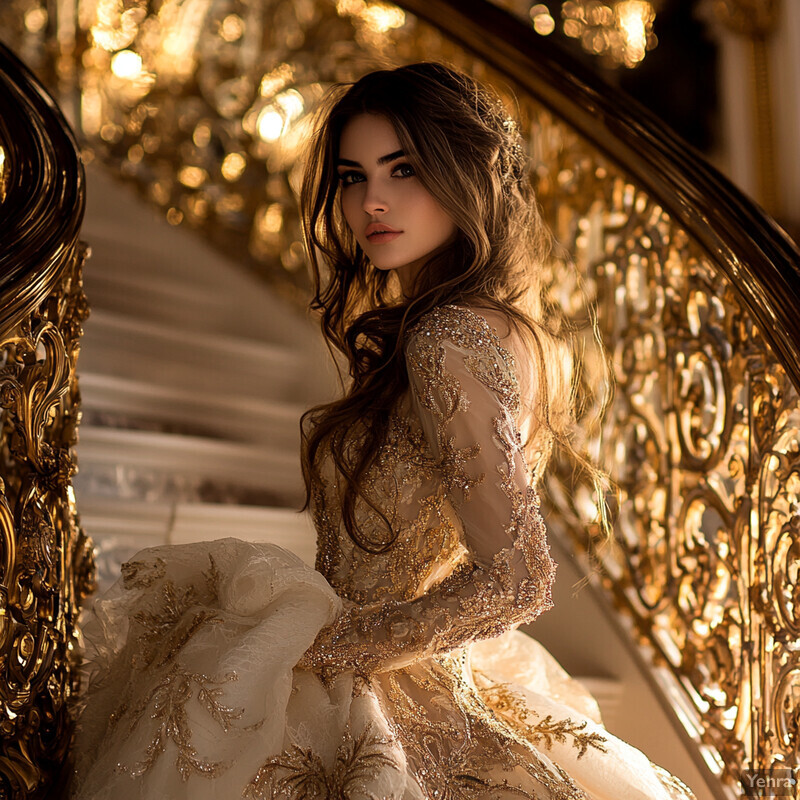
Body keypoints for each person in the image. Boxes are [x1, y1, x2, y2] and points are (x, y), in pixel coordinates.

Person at [67, 63, 697, 799]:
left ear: (465, 174)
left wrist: (324, 649)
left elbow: (518, 579)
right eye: (352, 175)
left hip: (374, 678)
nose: (373, 201)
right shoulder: (502, 329)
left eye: (404, 170)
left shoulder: (445, 338)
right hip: (407, 666)